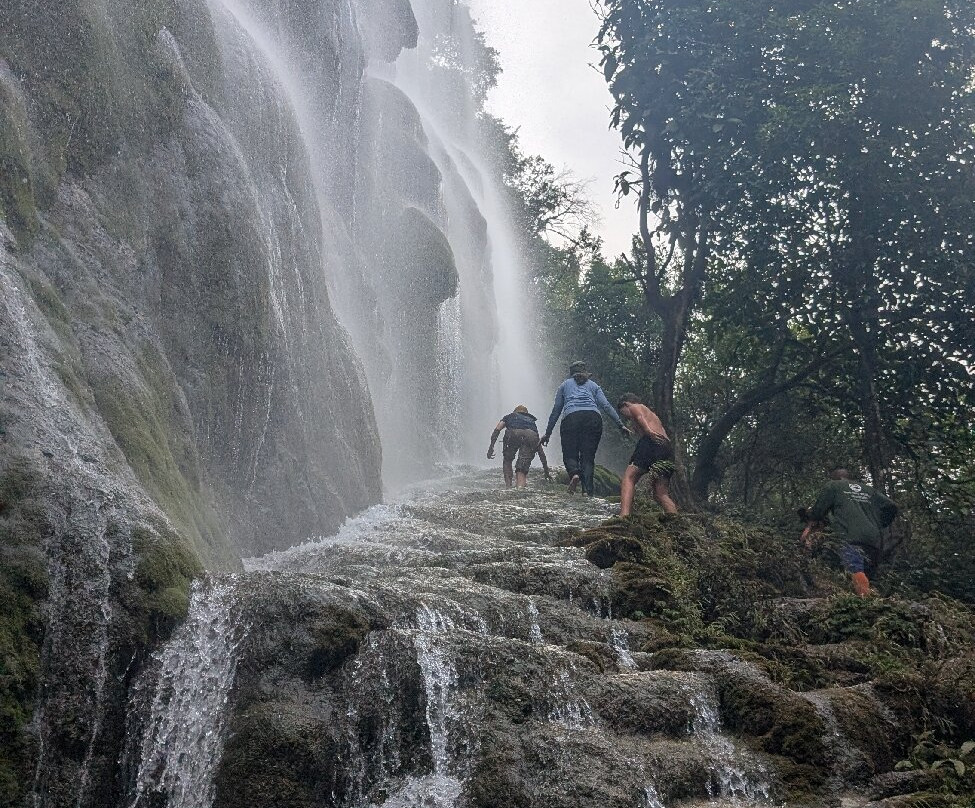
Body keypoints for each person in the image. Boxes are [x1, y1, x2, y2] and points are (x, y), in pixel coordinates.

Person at [802, 468, 898, 598]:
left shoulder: (833, 486)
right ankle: (872, 601)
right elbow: (892, 506)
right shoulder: (869, 490)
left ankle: (866, 603)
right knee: (868, 575)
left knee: (855, 569)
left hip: (850, 536)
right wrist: (881, 523)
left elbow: (818, 511)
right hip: (874, 539)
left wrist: (810, 519)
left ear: (835, 478)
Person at [541, 361, 630, 496]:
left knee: (570, 453)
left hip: (571, 418)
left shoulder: (564, 386)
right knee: (588, 458)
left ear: (571, 374)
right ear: (586, 373)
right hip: (593, 418)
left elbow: (556, 410)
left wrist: (548, 433)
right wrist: (620, 425)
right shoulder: (593, 386)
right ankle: (587, 491)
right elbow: (606, 406)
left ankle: (574, 474)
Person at [616, 393, 678, 516]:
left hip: (651, 442)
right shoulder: (652, 415)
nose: (626, 417)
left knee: (629, 477)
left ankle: (624, 516)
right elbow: (641, 425)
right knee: (661, 493)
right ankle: (675, 519)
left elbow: (639, 417)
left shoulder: (635, 406)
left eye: (623, 413)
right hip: (666, 447)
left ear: (626, 404)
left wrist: (648, 431)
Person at [487, 405, 550, 488]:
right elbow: (539, 449)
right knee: (521, 469)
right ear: (526, 413)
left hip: (513, 433)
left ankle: (508, 486)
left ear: (515, 412)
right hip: (531, 435)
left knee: (508, 460)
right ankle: (520, 488)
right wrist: (546, 472)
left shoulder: (509, 416)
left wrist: (491, 447)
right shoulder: (531, 421)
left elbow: (497, 429)